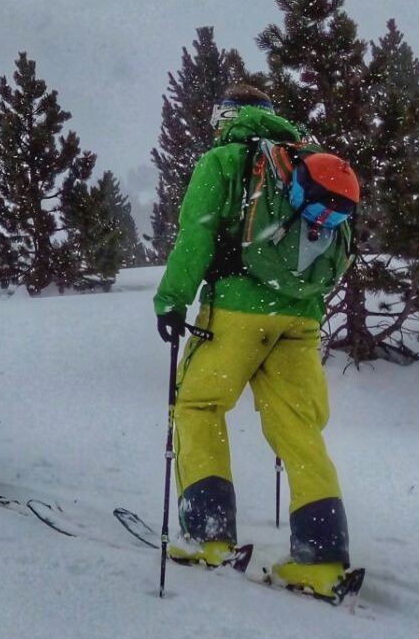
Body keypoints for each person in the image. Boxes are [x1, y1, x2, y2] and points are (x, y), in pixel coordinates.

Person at [152, 84, 360, 601]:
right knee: (299, 428)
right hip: (301, 318)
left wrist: (172, 300)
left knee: (198, 406)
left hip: (239, 312)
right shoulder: (304, 162)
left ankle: (210, 539)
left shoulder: (223, 160)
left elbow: (195, 234)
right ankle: (322, 559)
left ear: (227, 116)